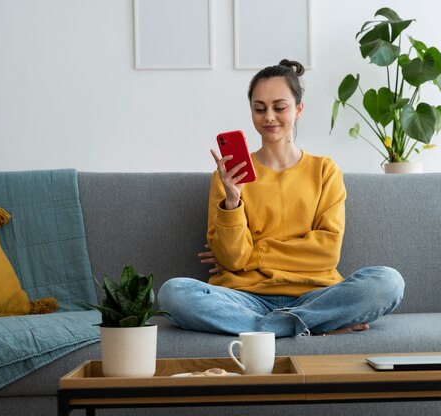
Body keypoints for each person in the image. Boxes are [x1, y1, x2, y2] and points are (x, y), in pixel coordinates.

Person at [158, 59, 404, 337]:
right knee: (173, 293)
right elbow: (231, 259)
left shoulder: (324, 170)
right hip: (244, 299)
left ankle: (268, 329)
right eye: (259, 109)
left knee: (388, 281)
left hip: (316, 296)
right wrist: (232, 201)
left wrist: (254, 255)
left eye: (280, 107)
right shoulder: (228, 176)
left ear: (299, 109)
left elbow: (326, 253)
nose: (269, 117)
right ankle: (305, 325)